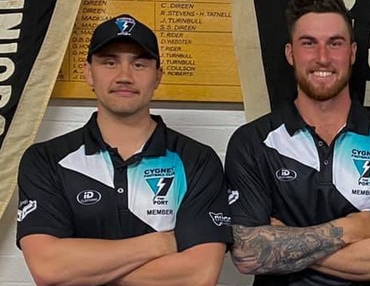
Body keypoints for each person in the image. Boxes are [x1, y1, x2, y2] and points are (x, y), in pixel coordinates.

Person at [16, 14, 231, 285]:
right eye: (109, 62)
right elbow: (48, 268)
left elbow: (198, 275)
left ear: (157, 77)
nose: (124, 76)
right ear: (88, 73)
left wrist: (84, 271)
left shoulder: (197, 160)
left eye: (139, 64)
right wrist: (162, 243)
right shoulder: (45, 160)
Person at [224, 0, 370, 285]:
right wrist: (350, 229)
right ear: (290, 54)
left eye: (335, 43)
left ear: (352, 52)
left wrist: (285, 241)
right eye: (308, 43)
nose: (323, 57)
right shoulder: (252, 142)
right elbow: (248, 250)